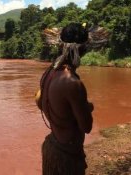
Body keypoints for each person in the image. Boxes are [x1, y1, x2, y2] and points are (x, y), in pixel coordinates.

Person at [36, 22, 94, 175]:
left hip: (53, 146)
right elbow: (86, 127)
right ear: (82, 49)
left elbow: (44, 103)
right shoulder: (73, 83)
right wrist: (87, 108)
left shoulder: (49, 73)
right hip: (67, 156)